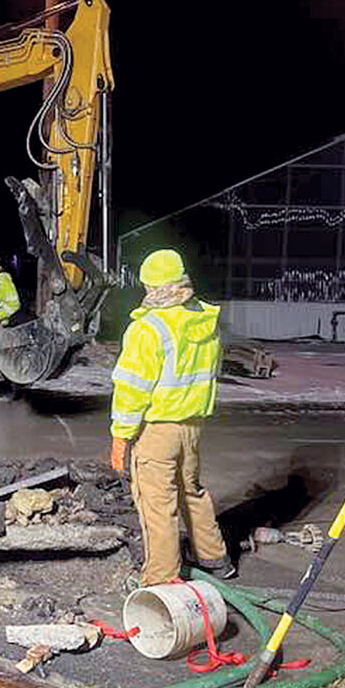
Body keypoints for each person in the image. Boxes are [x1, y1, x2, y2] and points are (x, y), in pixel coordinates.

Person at [109, 248, 234, 586]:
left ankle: (160, 580)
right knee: (189, 490)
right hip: (192, 425)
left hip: (157, 429)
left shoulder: (148, 329)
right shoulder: (204, 321)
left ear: (151, 286)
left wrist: (121, 435)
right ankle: (214, 558)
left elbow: (132, 389)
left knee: (156, 505)